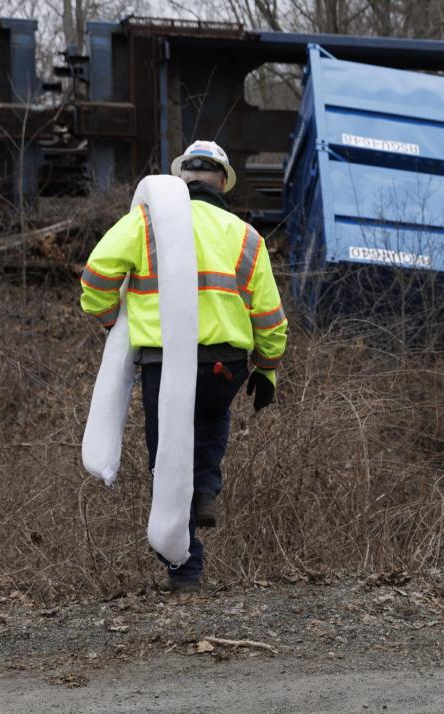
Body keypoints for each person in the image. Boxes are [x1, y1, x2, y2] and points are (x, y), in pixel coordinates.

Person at [79, 140, 288, 593]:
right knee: (211, 426)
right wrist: (267, 369)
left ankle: (185, 573)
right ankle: (207, 490)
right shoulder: (247, 236)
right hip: (225, 365)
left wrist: (111, 320)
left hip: (164, 362)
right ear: (223, 182)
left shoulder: (146, 222)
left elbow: (96, 277)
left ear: (183, 178)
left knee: (169, 460)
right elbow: (270, 316)